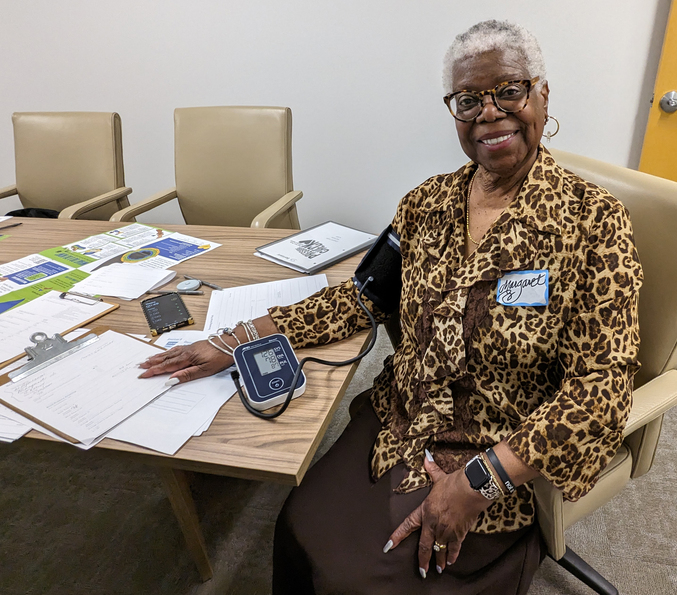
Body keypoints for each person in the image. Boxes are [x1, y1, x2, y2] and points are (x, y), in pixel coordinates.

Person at [139, 19, 642, 594]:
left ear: (542, 94)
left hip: (501, 447)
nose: (489, 113)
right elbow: (361, 301)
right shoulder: (424, 203)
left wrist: (479, 482)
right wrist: (234, 340)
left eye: (509, 90)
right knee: (297, 528)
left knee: (365, 581)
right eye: (468, 99)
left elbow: (600, 389)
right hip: (400, 415)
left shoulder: (595, 221)